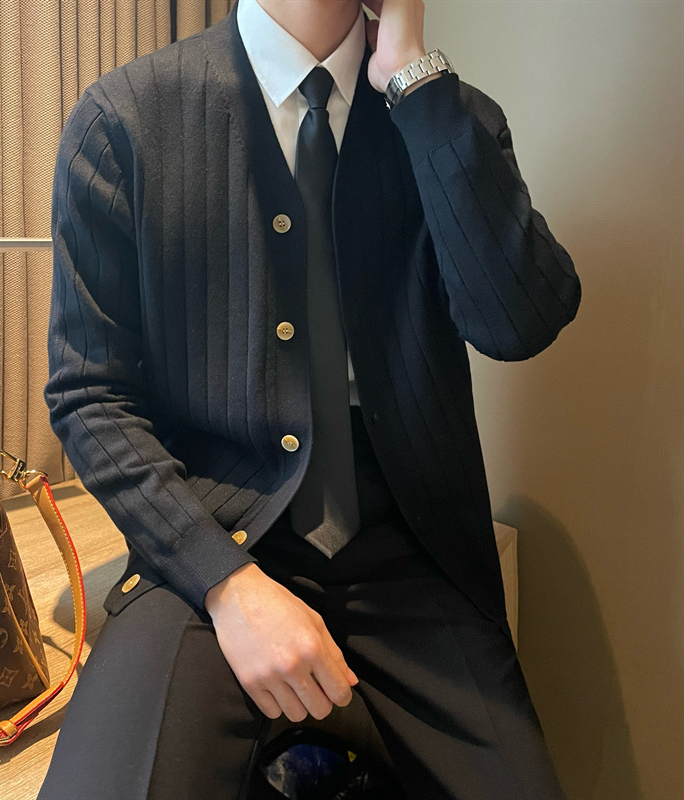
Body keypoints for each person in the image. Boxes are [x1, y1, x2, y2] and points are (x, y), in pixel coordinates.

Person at [39, 0, 581, 797]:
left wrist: (411, 75)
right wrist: (225, 581)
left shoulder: (448, 116)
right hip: (211, 536)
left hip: (415, 552)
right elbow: (89, 392)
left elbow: (518, 321)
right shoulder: (125, 119)